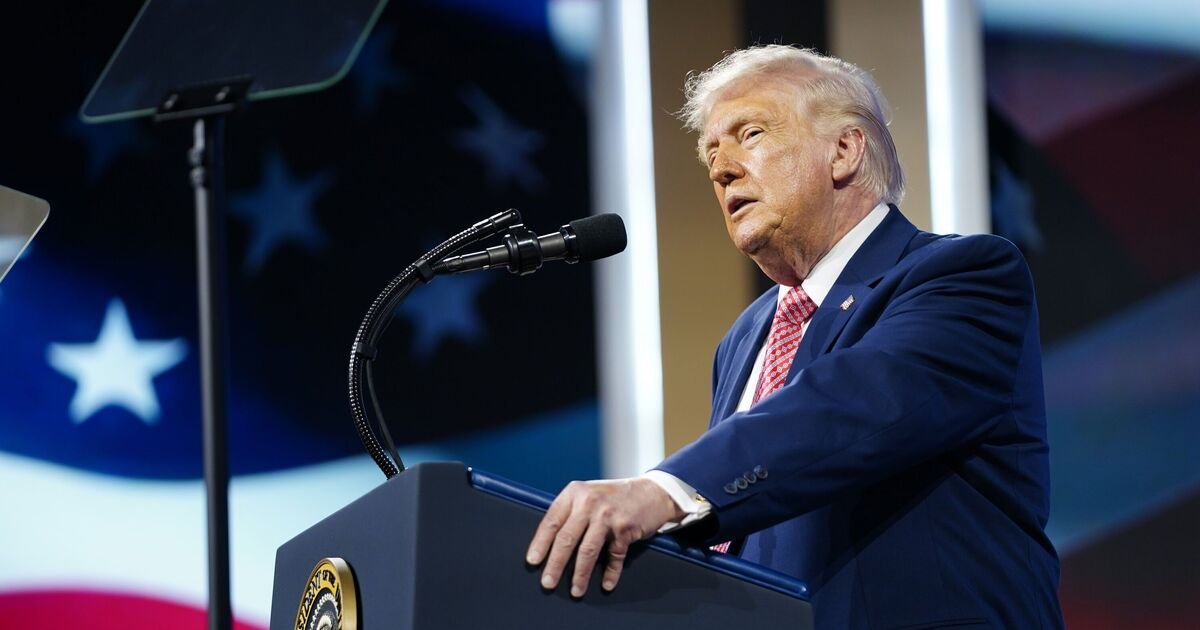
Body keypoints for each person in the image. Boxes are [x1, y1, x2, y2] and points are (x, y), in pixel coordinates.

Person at [526, 45, 1063, 629]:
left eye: (750, 134)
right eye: (711, 152)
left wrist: (667, 491)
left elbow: (854, 403)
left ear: (844, 150)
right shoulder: (744, 338)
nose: (721, 169)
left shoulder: (964, 275)